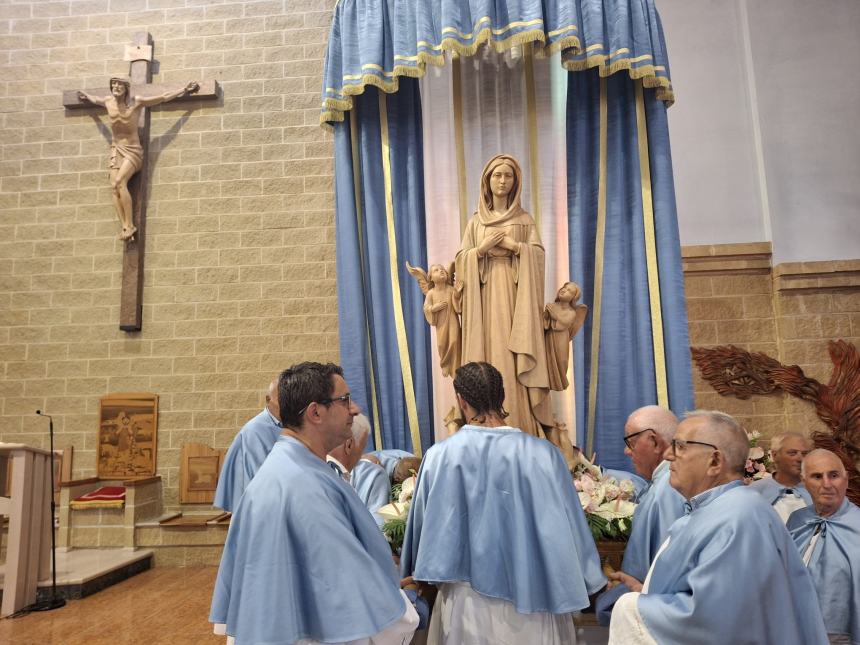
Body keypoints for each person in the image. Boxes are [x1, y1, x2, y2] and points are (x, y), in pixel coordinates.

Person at [210, 362, 418, 644]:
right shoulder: (304, 487)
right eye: (344, 400)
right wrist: (413, 609)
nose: (354, 409)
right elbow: (348, 597)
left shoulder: (292, 468)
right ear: (315, 412)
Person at [401, 361, 606, 644]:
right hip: (534, 593)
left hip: (465, 601)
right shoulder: (544, 454)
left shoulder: (440, 456)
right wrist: (590, 576)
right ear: (502, 397)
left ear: (461, 400)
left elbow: (423, 529)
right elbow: (570, 527)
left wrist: (415, 572)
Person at [608, 410, 828, 644]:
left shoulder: (738, 517)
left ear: (714, 461)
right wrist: (647, 590)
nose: (669, 454)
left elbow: (715, 622)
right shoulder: (718, 510)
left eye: (681, 446)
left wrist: (631, 606)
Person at [454, 155, 553, 437]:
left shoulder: (524, 220)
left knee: (513, 354)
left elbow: (538, 256)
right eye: (497, 175)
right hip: (483, 301)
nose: (502, 181)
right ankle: (483, 421)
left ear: (515, 182)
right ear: (487, 180)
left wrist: (516, 247)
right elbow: (462, 261)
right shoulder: (475, 223)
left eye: (508, 176)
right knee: (487, 351)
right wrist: (480, 250)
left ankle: (520, 420)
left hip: (514, 299)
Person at [595, 406, 685, 625]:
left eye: (630, 442)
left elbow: (668, 573)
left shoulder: (667, 491)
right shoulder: (663, 485)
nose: (627, 451)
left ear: (654, 441)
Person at [78, 77, 199, 241]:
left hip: (133, 150)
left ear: (126, 88)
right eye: (114, 84)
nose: (116, 87)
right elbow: (94, 99)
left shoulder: (137, 102)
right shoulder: (107, 101)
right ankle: (125, 226)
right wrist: (85, 95)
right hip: (116, 148)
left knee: (120, 181)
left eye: (120, 85)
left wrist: (183, 89)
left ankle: (131, 225)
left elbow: (163, 97)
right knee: (114, 186)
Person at [788, 449, 860, 644]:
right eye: (817, 476)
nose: (827, 484)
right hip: (795, 628)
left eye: (834, 475)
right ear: (804, 481)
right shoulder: (797, 521)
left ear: (846, 479)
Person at [213, 378, 282, 512]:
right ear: (268, 400)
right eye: (281, 400)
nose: (287, 405)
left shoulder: (283, 423)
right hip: (257, 507)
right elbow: (261, 477)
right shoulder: (255, 430)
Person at [328, 414, 390, 525]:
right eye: (362, 448)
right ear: (349, 446)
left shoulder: (309, 468)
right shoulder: (374, 474)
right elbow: (377, 531)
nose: (363, 455)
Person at [750, 431, 812, 522]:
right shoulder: (755, 491)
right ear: (775, 455)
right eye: (792, 453)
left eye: (804, 454)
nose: (800, 459)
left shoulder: (816, 489)